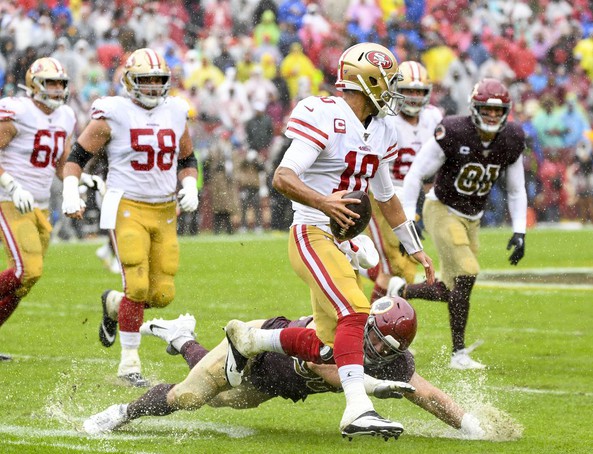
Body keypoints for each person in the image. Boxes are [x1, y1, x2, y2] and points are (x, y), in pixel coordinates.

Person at [223, 42, 435, 440]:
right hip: (310, 229)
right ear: (366, 83)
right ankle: (358, 410)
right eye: (387, 83)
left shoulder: (383, 129)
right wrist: (323, 201)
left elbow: (385, 194)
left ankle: (250, 340)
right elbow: (283, 178)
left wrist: (412, 244)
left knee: (326, 346)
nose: (393, 93)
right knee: (357, 310)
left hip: (339, 241)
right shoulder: (326, 116)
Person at [82, 297, 485, 441]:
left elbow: (427, 394)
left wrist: (470, 426)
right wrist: (375, 387)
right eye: (372, 332)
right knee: (189, 396)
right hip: (256, 347)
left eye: (382, 342)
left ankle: (180, 337)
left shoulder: (393, 359)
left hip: (279, 383)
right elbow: (324, 365)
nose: (372, 343)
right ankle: (121, 415)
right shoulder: (344, 327)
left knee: (221, 401)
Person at [61, 48, 199, 386]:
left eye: (158, 80)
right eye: (145, 80)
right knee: (136, 283)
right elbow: (78, 156)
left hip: (165, 208)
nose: (152, 87)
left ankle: (113, 305)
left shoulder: (177, 111)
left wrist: (191, 185)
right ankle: (129, 365)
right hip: (125, 205)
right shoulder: (113, 112)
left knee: (162, 293)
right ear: (129, 81)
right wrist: (69, 190)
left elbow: (187, 158)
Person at [390, 78, 527, 370]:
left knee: (451, 288)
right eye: (486, 111)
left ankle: (402, 290)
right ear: (474, 109)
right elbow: (415, 174)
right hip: (442, 208)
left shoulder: (511, 138)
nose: (491, 116)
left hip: (472, 219)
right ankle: (458, 354)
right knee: (467, 272)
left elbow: (516, 189)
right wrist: (407, 219)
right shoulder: (454, 131)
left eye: (497, 111)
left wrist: (520, 230)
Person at [0, 58, 77, 361]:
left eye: (60, 84)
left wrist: (79, 184)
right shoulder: (17, 111)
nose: (57, 90)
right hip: (9, 199)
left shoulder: (66, 116)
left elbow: (60, 163)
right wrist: (12, 185)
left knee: (26, 282)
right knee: (25, 270)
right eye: (50, 83)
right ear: (34, 84)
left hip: (41, 206)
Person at [365, 60, 443, 303]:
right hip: (384, 194)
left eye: (419, 91)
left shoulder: (433, 117)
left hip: (413, 196)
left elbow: (434, 165)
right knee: (395, 268)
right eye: (408, 90)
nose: (414, 97)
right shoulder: (385, 120)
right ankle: (373, 324)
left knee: (405, 267)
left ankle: (385, 323)